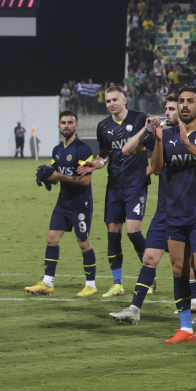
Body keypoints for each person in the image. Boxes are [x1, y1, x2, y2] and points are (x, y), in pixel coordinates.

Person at [149, 87, 196, 343]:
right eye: (180, 101)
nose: (184, 105)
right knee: (179, 269)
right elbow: (157, 168)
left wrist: (187, 144)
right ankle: (186, 328)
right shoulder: (167, 134)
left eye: (189, 101)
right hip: (174, 213)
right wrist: (159, 141)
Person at [110, 95, 180, 324]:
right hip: (164, 211)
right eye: (166, 108)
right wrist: (145, 130)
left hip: (190, 211)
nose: (167, 112)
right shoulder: (163, 135)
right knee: (149, 257)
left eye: (172, 109)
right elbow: (127, 150)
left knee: (188, 264)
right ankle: (134, 309)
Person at [78, 86, 149, 298]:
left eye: (114, 100)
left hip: (136, 184)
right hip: (114, 186)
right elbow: (103, 156)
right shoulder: (103, 126)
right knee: (112, 234)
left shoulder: (139, 119)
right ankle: (117, 284)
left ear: (124, 99)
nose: (111, 104)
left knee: (133, 231)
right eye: (108, 101)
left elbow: (151, 143)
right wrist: (95, 164)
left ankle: (149, 272)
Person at [26, 111, 97, 297]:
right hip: (63, 204)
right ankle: (48, 283)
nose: (66, 125)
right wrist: (48, 176)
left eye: (70, 122)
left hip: (81, 204)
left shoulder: (83, 150)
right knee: (51, 238)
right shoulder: (57, 151)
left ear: (76, 126)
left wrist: (60, 176)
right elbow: (55, 178)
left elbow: (85, 182)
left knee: (83, 242)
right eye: (63, 123)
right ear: (59, 126)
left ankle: (91, 284)